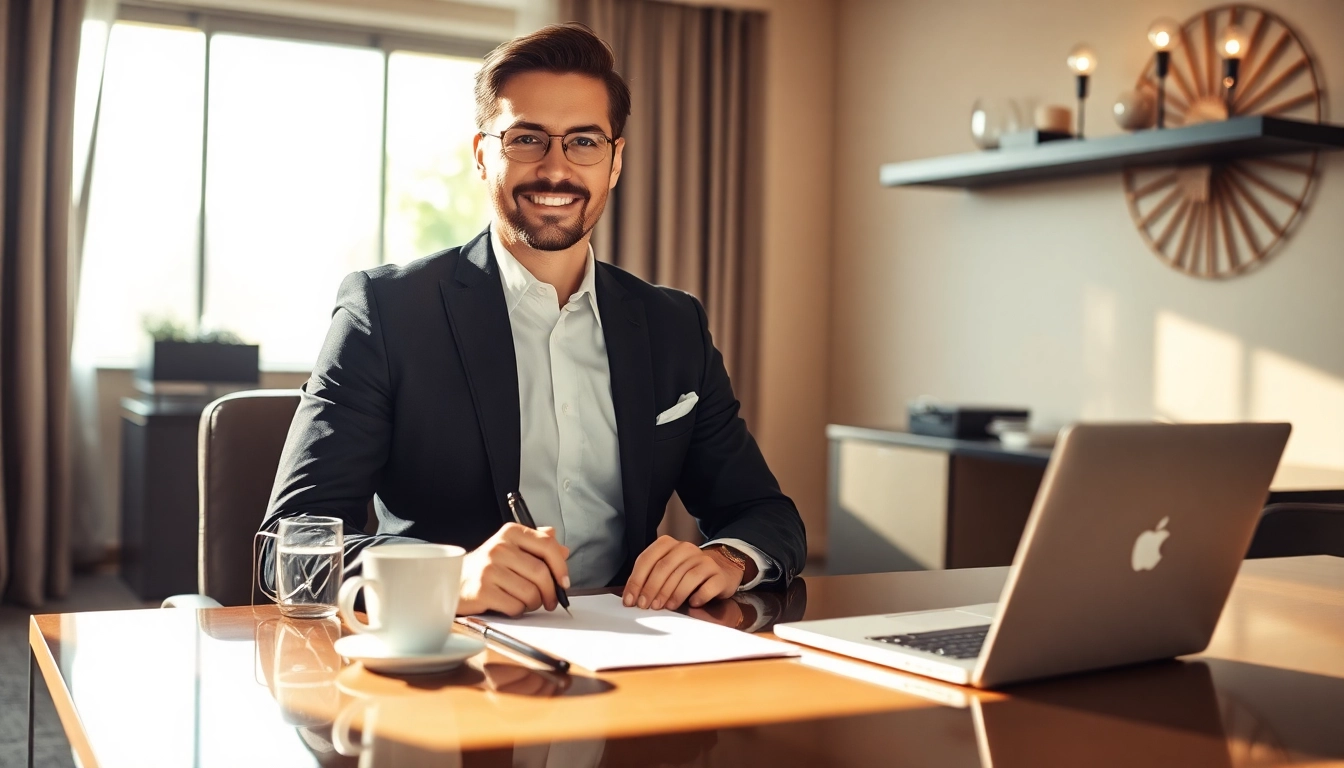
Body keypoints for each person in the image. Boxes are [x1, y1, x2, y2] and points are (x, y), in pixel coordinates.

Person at [259, 22, 805, 617]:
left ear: (615, 161)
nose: (556, 169)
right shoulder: (385, 312)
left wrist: (728, 558)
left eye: (584, 142)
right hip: (454, 650)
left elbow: (765, 513)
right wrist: (448, 579)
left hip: (636, 645)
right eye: (526, 139)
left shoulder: (674, 325)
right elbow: (287, 543)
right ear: (482, 154)